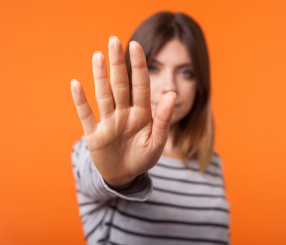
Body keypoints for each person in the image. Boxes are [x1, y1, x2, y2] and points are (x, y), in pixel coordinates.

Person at [70, 11, 231, 245]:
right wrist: (118, 175)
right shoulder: (96, 148)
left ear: (200, 85)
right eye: (153, 68)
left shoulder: (212, 163)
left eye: (186, 72)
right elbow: (97, 172)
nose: (169, 86)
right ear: (129, 73)